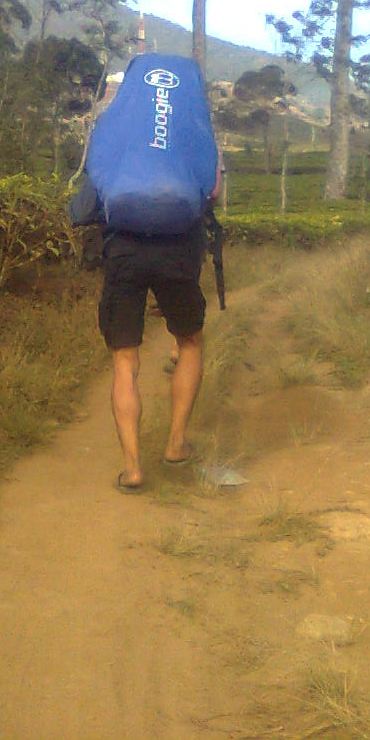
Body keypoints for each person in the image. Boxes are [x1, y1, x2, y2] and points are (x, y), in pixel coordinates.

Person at [73, 54, 221, 493]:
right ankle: (176, 444)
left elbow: (94, 182)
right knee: (190, 340)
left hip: (125, 249)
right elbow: (211, 188)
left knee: (125, 359)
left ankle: (133, 467)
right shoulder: (191, 120)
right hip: (179, 247)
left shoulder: (120, 120)